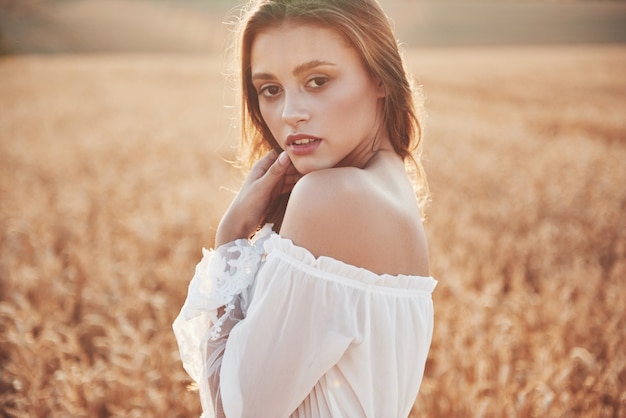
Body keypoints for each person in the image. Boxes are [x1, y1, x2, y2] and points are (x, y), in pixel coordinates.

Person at [173, 0, 437, 417]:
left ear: (380, 76)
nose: (290, 114)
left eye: (317, 80)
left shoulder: (332, 198)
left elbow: (236, 412)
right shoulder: (392, 189)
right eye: (270, 90)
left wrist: (230, 240)